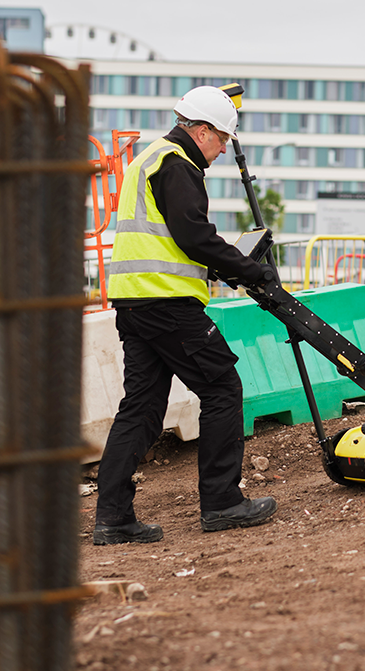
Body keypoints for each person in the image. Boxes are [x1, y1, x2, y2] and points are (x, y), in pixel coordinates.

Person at [93, 86, 277, 545]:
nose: (218, 152)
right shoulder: (178, 164)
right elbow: (193, 235)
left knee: (141, 409)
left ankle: (112, 518)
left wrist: (225, 266)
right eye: (219, 139)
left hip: (135, 302)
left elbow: (175, 238)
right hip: (166, 302)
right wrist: (249, 269)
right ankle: (222, 503)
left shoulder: (150, 160)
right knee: (221, 387)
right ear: (200, 130)